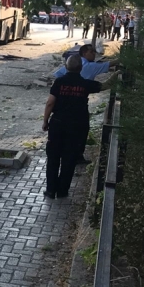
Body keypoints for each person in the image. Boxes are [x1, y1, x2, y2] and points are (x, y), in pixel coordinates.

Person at [42, 55, 117, 198]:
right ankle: (63, 191)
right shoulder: (85, 84)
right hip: (77, 125)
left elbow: (50, 103)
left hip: (58, 124)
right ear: (81, 68)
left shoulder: (59, 82)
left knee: (53, 157)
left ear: (66, 66)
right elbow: (105, 85)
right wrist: (117, 74)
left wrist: (45, 121)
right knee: (69, 158)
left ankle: (51, 190)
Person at [54, 43, 119, 80]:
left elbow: (57, 74)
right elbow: (109, 64)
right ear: (84, 53)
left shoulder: (74, 62)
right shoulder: (90, 66)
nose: (94, 53)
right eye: (91, 52)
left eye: (94, 52)